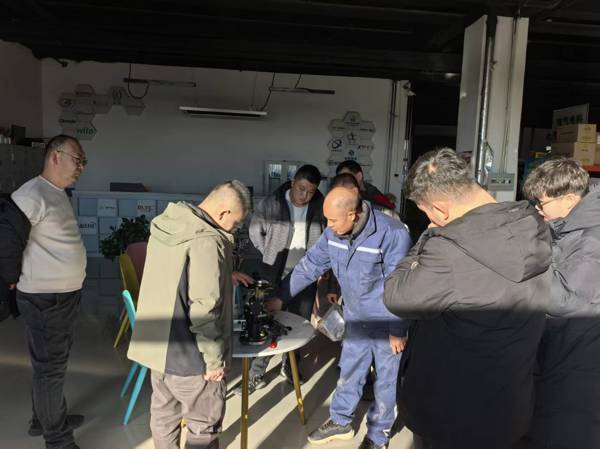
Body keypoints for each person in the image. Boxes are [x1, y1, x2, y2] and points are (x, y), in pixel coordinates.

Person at [384, 148, 552, 449]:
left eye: (425, 212)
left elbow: (397, 297)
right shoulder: (530, 223)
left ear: (440, 210)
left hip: (454, 415)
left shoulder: (449, 250)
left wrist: (426, 237)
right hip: (509, 405)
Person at [269, 174, 412, 449]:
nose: (329, 226)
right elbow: (310, 265)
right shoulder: (333, 232)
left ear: (353, 214)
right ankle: (341, 421)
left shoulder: (392, 234)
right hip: (355, 316)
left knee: (386, 380)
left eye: (333, 220)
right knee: (349, 370)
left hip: (385, 320)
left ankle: (378, 436)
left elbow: (401, 287)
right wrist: (280, 297)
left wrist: (398, 329)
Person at [127, 180, 251, 449]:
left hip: (159, 350)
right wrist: (214, 360)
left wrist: (223, 274)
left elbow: (177, 277)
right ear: (224, 212)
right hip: (192, 358)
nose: (234, 229)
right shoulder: (207, 240)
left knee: (164, 419)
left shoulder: (169, 223)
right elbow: (204, 308)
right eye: (236, 223)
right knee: (203, 428)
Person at [12, 135, 88, 449]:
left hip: (62, 296)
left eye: (83, 162)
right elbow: (7, 237)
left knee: (49, 366)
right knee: (50, 370)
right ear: (56, 156)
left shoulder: (55, 192)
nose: (81, 167)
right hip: (45, 298)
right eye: (77, 160)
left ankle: (41, 419)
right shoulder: (30, 194)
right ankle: (58, 439)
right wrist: (9, 278)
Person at [234, 164, 334, 395]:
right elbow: (255, 231)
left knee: (299, 323)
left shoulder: (320, 206)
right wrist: (269, 252)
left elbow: (327, 238)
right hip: (273, 272)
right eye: (301, 189)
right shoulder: (273, 202)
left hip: (305, 274)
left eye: (310, 191)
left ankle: (289, 365)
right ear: (293, 182)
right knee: (266, 320)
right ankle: (256, 373)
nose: (305, 195)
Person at [522, 158, 600, 449]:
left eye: (541, 203)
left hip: (577, 359)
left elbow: (567, 298)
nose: (537, 209)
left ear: (569, 199)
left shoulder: (593, 238)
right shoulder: (569, 226)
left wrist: (516, 275)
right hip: (561, 350)